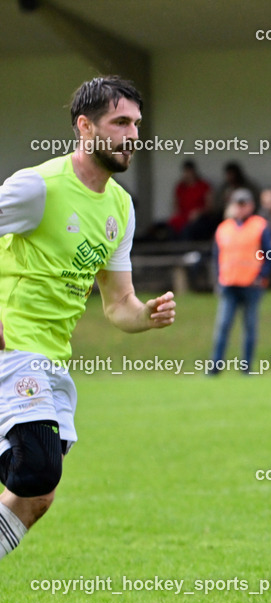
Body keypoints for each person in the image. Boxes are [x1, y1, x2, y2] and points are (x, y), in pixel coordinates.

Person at [0, 76, 176, 561]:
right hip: (12, 347)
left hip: (51, 358)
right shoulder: (37, 187)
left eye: (136, 124)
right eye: (120, 122)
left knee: (35, 496)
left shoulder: (120, 207)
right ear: (85, 126)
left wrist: (146, 315)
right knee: (35, 468)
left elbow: (118, 303)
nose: (132, 135)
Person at [209, 188, 271, 375]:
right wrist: (218, 280)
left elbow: (270, 254)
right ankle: (215, 368)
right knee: (222, 326)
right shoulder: (224, 228)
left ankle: (246, 368)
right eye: (238, 204)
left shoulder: (260, 226)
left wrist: (262, 276)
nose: (241, 208)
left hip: (252, 285)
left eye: (244, 204)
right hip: (229, 284)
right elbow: (217, 257)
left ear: (251, 206)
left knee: (250, 328)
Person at [166, 161, 211, 239]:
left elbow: (210, 207)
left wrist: (199, 212)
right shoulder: (180, 187)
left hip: (199, 219)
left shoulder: (204, 185)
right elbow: (175, 205)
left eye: (189, 172)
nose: (187, 175)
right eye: (185, 172)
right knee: (171, 225)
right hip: (183, 217)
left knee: (188, 230)